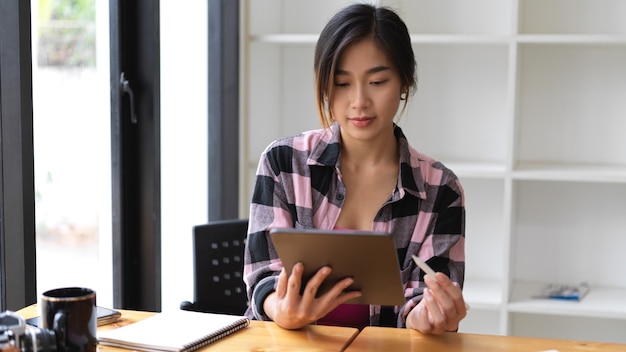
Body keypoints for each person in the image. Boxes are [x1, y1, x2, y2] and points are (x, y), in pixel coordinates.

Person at [243, 3, 466, 334]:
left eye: (377, 81)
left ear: (404, 82)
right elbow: (264, 274)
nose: (359, 100)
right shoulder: (284, 163)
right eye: (342, 83)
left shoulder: (440, 189)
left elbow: (424, 294)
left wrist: (428, 316)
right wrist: (282, 308)